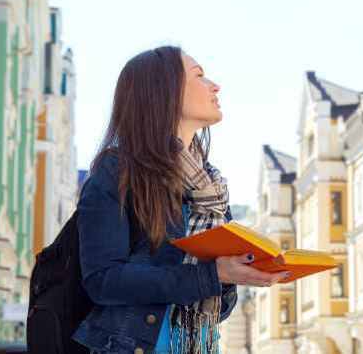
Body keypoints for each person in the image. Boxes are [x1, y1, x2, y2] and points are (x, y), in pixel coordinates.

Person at [71, 46, 290, 354]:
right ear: (165, 92)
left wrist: (236, 274)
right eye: (200, 76)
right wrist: (213, 275)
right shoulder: (117, 170)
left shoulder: (210, 189)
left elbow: (218, 311)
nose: (215, 86)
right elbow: (103, 280)